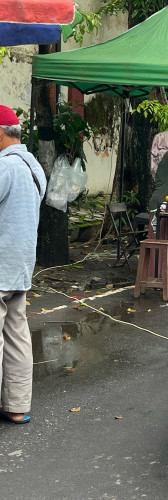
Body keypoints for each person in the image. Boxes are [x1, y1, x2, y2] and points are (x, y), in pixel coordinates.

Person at [0, 105, 47, 425]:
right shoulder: (34, 168)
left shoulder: (4, 168)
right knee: (16, 333)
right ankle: (17, 406)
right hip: (20, 266)